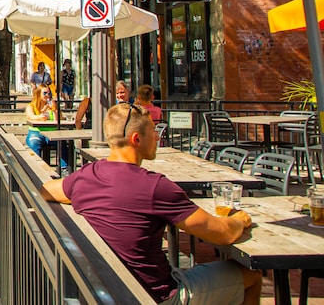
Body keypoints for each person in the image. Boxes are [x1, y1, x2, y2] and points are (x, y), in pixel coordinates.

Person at [40, 103, 262, 304]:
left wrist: (86, 195)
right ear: (136, 139)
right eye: (153, 132)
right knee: (252, 276)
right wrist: (238, 220)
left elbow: (46, 190)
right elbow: (222, 233)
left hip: (104, 291)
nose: (157, 137)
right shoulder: (155, 187)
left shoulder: (86, 177)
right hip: (155, 296)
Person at [25, 85, 71, 174]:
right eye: (45, 93)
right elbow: (30, 117)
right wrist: (40, 116)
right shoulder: (32, 106)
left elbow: (59, 119)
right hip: (36, 131)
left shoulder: (52, 105)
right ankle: (36, 168)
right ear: (38, 94)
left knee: (61, 143)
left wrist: (55, 110)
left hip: (51, 132)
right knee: (34, 144)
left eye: (49, 93)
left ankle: (64, 168)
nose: (47, 95)